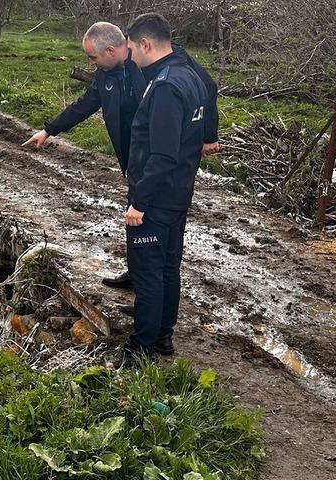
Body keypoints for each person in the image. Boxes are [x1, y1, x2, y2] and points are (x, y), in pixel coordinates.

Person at [22, 21, 219, 295]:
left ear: (112, 50)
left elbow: (207, 88)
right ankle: (138, 275)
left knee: (153, 218)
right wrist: (49, 130)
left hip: (161, 156)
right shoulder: (106, 74)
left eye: (93, 57)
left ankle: (149, 292)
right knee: (135, 215)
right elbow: (84, 105)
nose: (90, 63)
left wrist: (209, 134)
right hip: (132, 156)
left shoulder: (161, 62)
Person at [117, 12, 208, 365]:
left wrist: (139, 202)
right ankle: (163, 339)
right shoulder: (191, 76)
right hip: (178, 193)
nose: (131, 57)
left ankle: (140, 349)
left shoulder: (167, 85)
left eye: (131, 49)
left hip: (156, 197)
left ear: (144, 43)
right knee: (169, 267)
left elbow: (163, 154)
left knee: (148, 273)